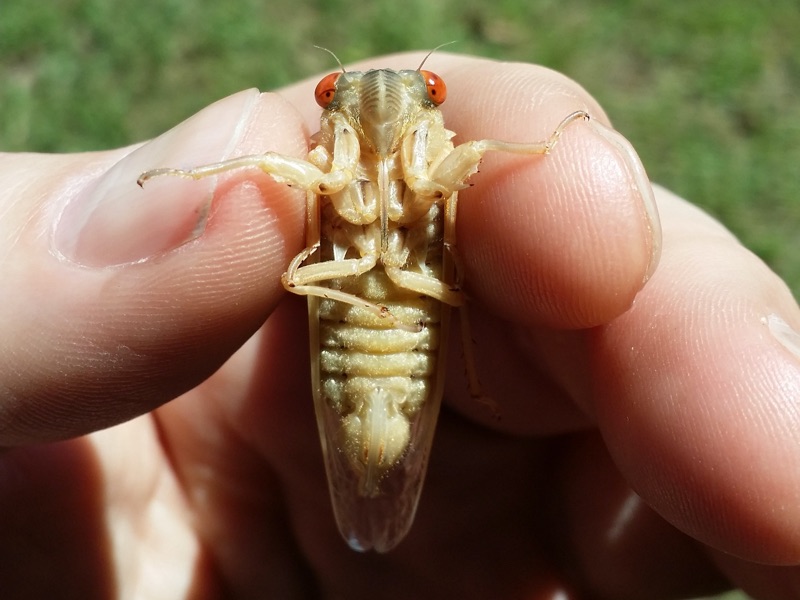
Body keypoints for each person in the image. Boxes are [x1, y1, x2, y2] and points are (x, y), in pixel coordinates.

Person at [1, 52, 798, 599]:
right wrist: (190, 176)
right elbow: (288, 195)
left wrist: (544, 148)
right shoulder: (330, 166)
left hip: (399, 324)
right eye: (335, 98)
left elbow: (464, 176)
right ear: (332, 114)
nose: (379, 111)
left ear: (430, 116)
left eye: (425, 98)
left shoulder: (436, 161)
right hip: (363, 329)